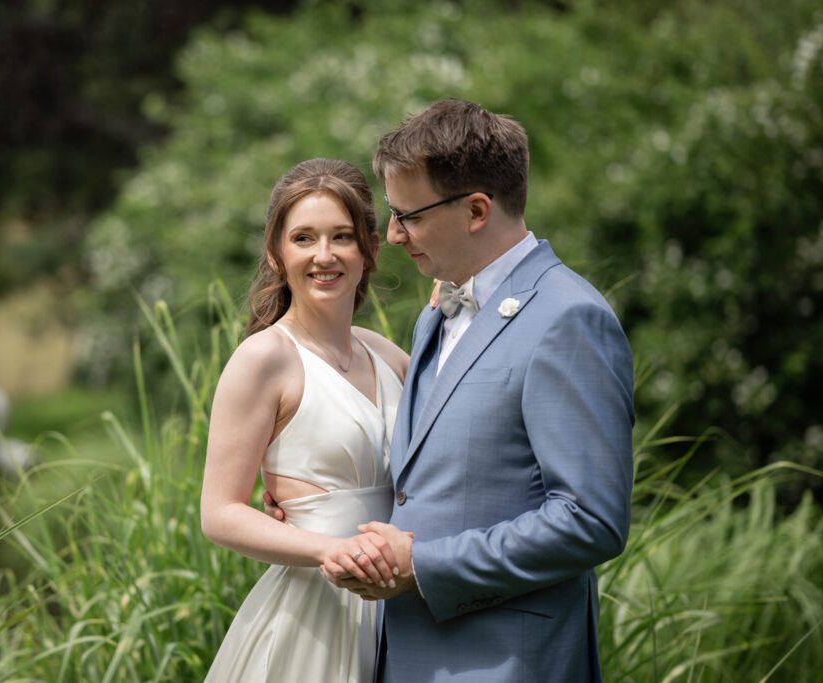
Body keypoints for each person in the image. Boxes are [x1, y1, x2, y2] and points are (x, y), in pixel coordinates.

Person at [321, 99, 635, 682]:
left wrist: (422, 565)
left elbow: (591, 519)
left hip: (505, 661)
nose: (391, 236)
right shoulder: (435, 315)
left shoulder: (568, 319)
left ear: (476, 210)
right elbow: (435, 477)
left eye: (407, 215)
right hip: (406, 655)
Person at [201, 158, 410, 682]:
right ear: (276, 253)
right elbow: (220, 513)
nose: (324, 255)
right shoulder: (264, 359)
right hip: (315, 615)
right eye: (303, 238)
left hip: (402, 613)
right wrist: (331, 549)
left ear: (370, 251)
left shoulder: (391, 358)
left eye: (342, 236)